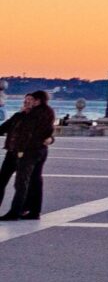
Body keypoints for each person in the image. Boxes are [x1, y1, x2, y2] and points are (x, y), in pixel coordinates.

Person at [1, 91, 57, 221]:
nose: (26, 102)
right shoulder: (21, 115)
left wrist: (50, 139)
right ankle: (31, 210)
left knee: (23, 182)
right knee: (30, 181)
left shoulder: (39, 115)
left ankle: (17, 212)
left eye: (29, 100)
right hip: (16, 151)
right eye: (25, 100)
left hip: (28, 152)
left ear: (37, 101)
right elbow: (4, 128)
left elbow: (42, 134)